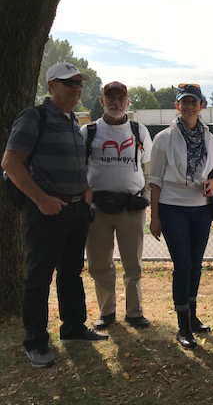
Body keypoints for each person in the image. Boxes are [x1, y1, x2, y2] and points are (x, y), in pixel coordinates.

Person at [2, 62, 108, 368]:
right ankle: (35, 342)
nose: (76, 89)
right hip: (46, 212)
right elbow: (10, 162)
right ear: (51, 86)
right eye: (69, 83)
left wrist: (85, 189)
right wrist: (40, 199)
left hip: (75, 210)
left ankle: (72, 328)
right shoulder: (34, 117)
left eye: (79, 84)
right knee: (38, 277)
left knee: (71, 272)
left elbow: (72, 163)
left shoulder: (72, 120)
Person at [149, 83, 213, 349]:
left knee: (196, 264)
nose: (190, 106)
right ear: (177, 106)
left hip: (201, 207)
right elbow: (155, 180)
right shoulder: (164, 138)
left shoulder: (209, 137)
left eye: (194, 102)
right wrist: (154, 216)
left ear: (201, 106)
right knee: (183, 264)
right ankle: (182, 326)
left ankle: (192, 316)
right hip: (173, 207)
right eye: (185, 102)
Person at [81, 82, 153, 330]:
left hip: (131, 208)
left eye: (120, 98)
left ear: (128, 102)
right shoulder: (88, 131)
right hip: (97, 210)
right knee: (99, 264)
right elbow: (80, 169)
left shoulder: (138, 130)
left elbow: (148, 169)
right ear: (102, 100)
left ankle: (134, 312)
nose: (115, 103)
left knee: (133, 264)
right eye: (110, 98)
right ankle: (107, 312)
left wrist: (146, 197)